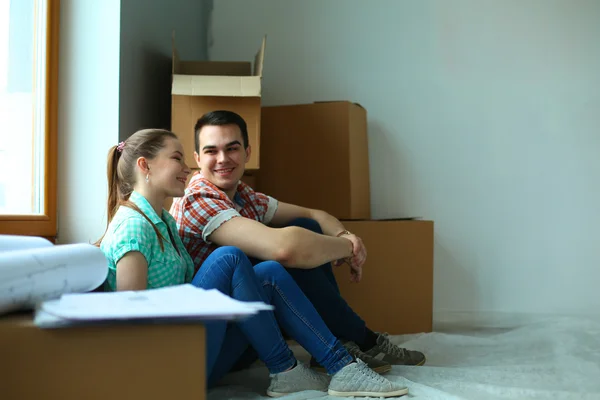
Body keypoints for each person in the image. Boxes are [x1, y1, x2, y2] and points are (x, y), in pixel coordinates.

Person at [96, 128, 408, 398]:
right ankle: (298, 366)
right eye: (177, 158)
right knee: (230, 256)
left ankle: (332, 366)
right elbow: (131, 329)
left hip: (192, 345)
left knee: (269, 272)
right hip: (167, 369)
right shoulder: (134, 227)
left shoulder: (161, 219)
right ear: (144, 165)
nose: (187, 168)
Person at [170, 111, 426, 375]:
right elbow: (285, 249)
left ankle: (343, 338)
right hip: (215, 343)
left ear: (247, 152)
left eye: (232, 148)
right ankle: (361, 339)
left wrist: (344, 235)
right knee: (275, 259)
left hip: (245, 327)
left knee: (307, 229)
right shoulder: (198, 197)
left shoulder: (243, 195)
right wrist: (350, 249)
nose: (223, 159)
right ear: (198, 159)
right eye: (212, 151)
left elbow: (315, 215)